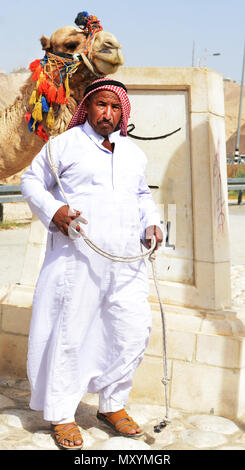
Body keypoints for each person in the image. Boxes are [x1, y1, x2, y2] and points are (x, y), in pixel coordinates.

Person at [21, 78, 163, 450]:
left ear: (122, 113)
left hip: (127, 261)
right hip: (77, 259)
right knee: (72, 334)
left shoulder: (133, 153)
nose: (108, 113)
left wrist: (153, 221)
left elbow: (142, 194)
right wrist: (54, 210)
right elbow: (32, 181)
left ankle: (113, 405)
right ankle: (62, 413)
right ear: (89, 107)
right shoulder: (63, 146)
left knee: (131, 331)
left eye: (116, 108)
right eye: (102, 105)